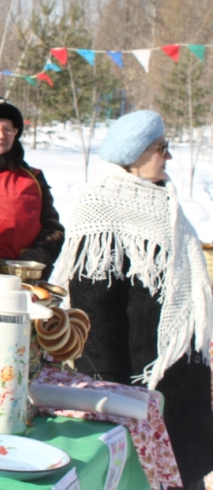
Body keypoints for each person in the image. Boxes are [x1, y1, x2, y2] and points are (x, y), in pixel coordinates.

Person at [49, 110, 213, 490]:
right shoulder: (101, 207)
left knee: (179, 474)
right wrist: (106, 387)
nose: (168, 157)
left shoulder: (162, 200)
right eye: (162, 148)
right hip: (134, 381)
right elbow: (93, 307)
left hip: (173, 376)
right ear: (134, 153)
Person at [0, 96, 64, 276]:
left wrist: (38, 257)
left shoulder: (33, 176)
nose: (1, 135)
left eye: (8, 129)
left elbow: (53, 227)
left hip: (27, 278)